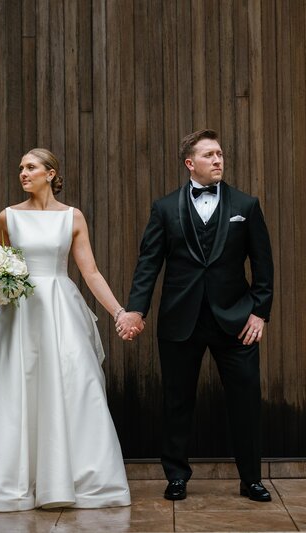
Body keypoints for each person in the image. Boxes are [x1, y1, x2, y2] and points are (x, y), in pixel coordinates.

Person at [0, 148, 131, 511]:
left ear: (51, 173)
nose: (23, 173)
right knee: (13, 389)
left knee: (72, 387)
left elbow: (90, 272)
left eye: (31, 167)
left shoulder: (72, 218)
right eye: (20, 168)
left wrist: (118, 312)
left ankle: (76, 479)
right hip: (19, 313)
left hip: (59, 308)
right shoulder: (7, 217)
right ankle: (11, 481)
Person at [116, 129, 274, 502]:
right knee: (176, 400)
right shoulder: (165, 207)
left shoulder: (246, 205)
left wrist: (260, 314)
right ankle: (176, 476)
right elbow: (148, 264)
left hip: (236, 321)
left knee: (246, 400)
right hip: (179, 319)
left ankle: (251, 479)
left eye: (220, 154)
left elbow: (263, 267)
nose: (218, 160)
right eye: (209, 155)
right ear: (191, 163)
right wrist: (136, 309)